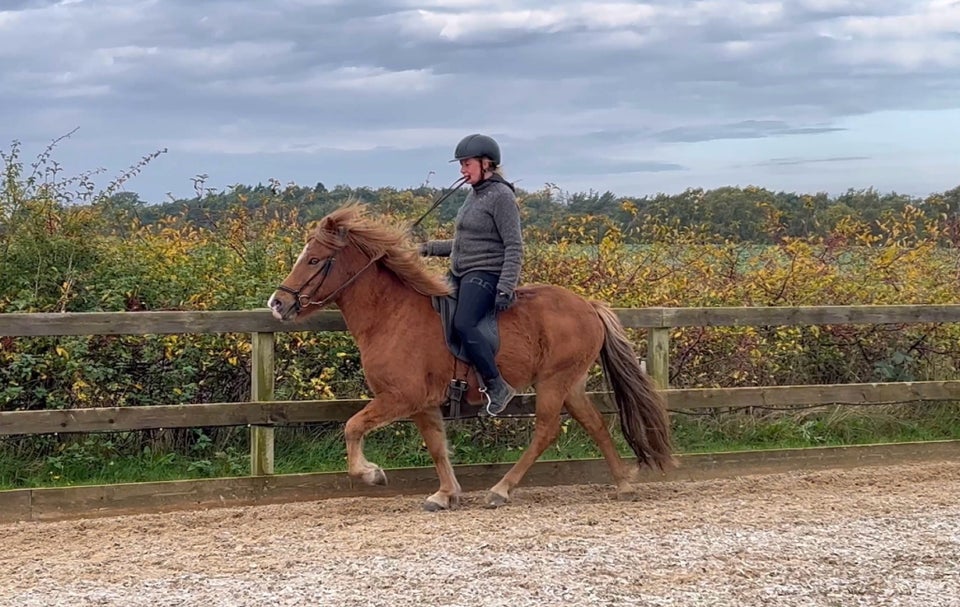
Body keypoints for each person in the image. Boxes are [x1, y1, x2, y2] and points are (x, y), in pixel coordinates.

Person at [419, 133, 523, 416]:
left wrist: (506, 285)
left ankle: (496, 384)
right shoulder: (474, 194)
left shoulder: (501, 196)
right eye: (461, 165)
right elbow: (465, 243)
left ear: (486, 163)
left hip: (486, 273)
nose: (462, 170)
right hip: (460, 271)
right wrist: (425, 248)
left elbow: (514, 245)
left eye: (466, 164)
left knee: (464, 322)